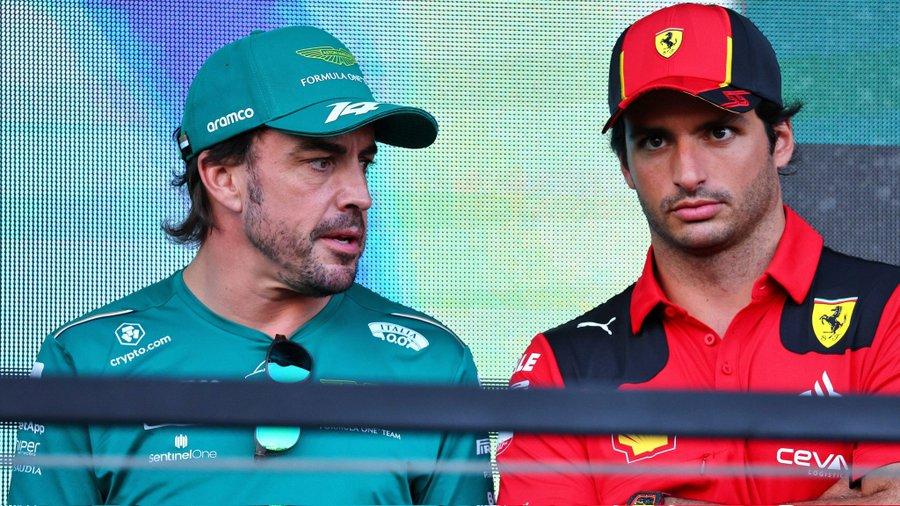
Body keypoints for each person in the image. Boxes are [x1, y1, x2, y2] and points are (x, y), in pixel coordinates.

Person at [8, 26, 493, 505]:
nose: (360, 195)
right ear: (223, 179)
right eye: (320, 162)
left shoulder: (434, 363)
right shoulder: (85, 361)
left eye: (364, 163)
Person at [497, 3, 899, 505]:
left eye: (717, 131)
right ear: (626, 168)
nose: (687, 174)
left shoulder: (890, 312)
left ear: (778, 141)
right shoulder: (563, 367)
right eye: (655, 140)